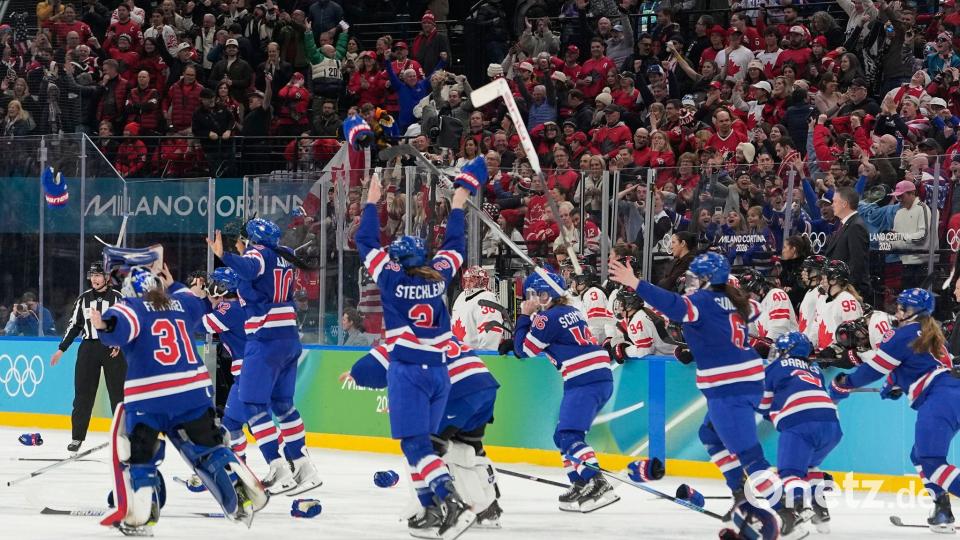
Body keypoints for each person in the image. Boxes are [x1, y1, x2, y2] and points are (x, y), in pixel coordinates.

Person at [355, 156, 484, 537]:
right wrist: (459, 200)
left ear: (396, 260)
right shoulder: (439, 274)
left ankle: (450, 500)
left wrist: (371, 201)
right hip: (440, 373)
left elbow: (364, 241)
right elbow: (455, 243)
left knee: (414, 446)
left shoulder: (391, 279)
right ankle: (431, 509)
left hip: (408, 372)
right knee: (422, 445)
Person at [92, 266, 268, 535]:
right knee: (206, 446)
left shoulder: (132, 307)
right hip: (193, 391)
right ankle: (234, 479)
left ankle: (143, 511)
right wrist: (175, 284)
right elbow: (194, 303)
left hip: (150, 396)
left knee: (137, 452)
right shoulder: (179, 303)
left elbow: (120, 324)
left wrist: (103, 324)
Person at [608, 252, 782, 520]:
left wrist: (635, 283)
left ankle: (788, 510)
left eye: (695, 277)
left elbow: (673, 305)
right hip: (746, 381)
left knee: (749, 454)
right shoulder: (737, 301)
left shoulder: (703, 300)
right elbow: (752, 312)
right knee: (710, 435)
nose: (690, 282)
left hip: (729, 387)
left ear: (706, 279)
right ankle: (740, 496)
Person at [205, 217, 321, 496]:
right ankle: (304, 465)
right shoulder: (285, 255)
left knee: (253, 403)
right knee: (283, 405)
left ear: (251, 239)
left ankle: (278, 466)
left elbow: (250, 265)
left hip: (265, 341)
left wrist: (225, 255)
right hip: (289, 339)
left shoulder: (258, 254)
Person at [829, 289, 959, 533]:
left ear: (915, 312)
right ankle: (942, 510)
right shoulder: (934, 335)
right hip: (951, 394)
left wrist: (842, 385)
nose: (898, 311)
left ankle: (943, 509)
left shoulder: (902, 335)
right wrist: (895, 383)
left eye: (904, 307)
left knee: (931, 462)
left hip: (941, 398)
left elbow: (872, 371)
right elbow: (921, 367)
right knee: (919, 456)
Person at [350, 335, 503, 528]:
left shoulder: (403, 339)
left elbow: (369, 369)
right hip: (486, 387)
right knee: (469, 448)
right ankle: (488, 508)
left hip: (458, 392)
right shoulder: (442, 332)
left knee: (420, 449)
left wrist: (354, 374)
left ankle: (432, 509)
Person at [512, 270, 620, 513]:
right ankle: (581, 483)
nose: (531, 300)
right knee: (561, 435)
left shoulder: (545, 318)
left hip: (584, 379)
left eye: (534, 295)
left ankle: (596, 482)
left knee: (569, 435)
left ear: (545, 295)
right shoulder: (571, 311)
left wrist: (524, 317)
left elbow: (523, 351)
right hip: (597, 377)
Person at [760, 332, 842, 535]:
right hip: (832, 425)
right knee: (810, 465)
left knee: (790, 472)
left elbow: (763, 404)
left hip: (801, 423)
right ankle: (820, 511)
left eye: (779, 349)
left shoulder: (775, 367)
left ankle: (799, 506)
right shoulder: (816, 371)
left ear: (787, 350)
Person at [50, 262, 126, 453]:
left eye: (98, 275)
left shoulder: (118, 298)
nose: (94, 279)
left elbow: (126, 324)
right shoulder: (83, 299)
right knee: (83, 394)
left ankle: (123, 435)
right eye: (92, 275)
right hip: (89, 348)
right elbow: (74, 325)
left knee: (118, 394)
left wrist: (119, 342)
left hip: (112, 349)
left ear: (106, 278)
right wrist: (62, 349)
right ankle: (77, 437)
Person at [822, 187, 871, 296]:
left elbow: (857, 263)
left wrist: (848, 289)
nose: (832, 205)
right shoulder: (845, 224)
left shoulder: (856, 226)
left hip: (849, 291)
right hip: (839, 288)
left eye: (834, 201)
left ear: (844, 204)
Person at [738, 267, 799, 348]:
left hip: (787, 347)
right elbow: (752, 332)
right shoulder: (754, 304)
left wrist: (763, 345)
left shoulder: (776, 294)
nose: (747, 296)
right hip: (768, 348)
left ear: (760, 289)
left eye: (748, 293)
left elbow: (780, 329)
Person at [812, 260, 863, 351]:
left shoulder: (847, 301)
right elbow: (817, 326)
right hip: (823, 354)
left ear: (833, 280)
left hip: (839, 356)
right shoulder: (823, 299)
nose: (821, 282)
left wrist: (836, 351)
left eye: (824, 279)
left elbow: (853, 336)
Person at [451, 266, 505, 351]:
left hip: (476, 355)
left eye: (472, 281)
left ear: (482, 281)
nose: (467, 284)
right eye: (466, 280)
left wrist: (487, 353)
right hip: (459, 354)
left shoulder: (487, 297)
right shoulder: (461, 296)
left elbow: (491, 330)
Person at [570, 266, 613, 344]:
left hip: (600, 343)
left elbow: (597, 325)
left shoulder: (593, 294)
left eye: (574, 281)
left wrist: (589, 343)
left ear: (582, 281)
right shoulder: (587, 294)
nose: (572, 285)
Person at [797, 255, 828, 346]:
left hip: (812, 345)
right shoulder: (811, 291)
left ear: (818, 272)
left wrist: (811, 343)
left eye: (807, 270)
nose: (803, 273)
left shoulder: (821, 291)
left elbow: (819, 320)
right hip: (805, 343)